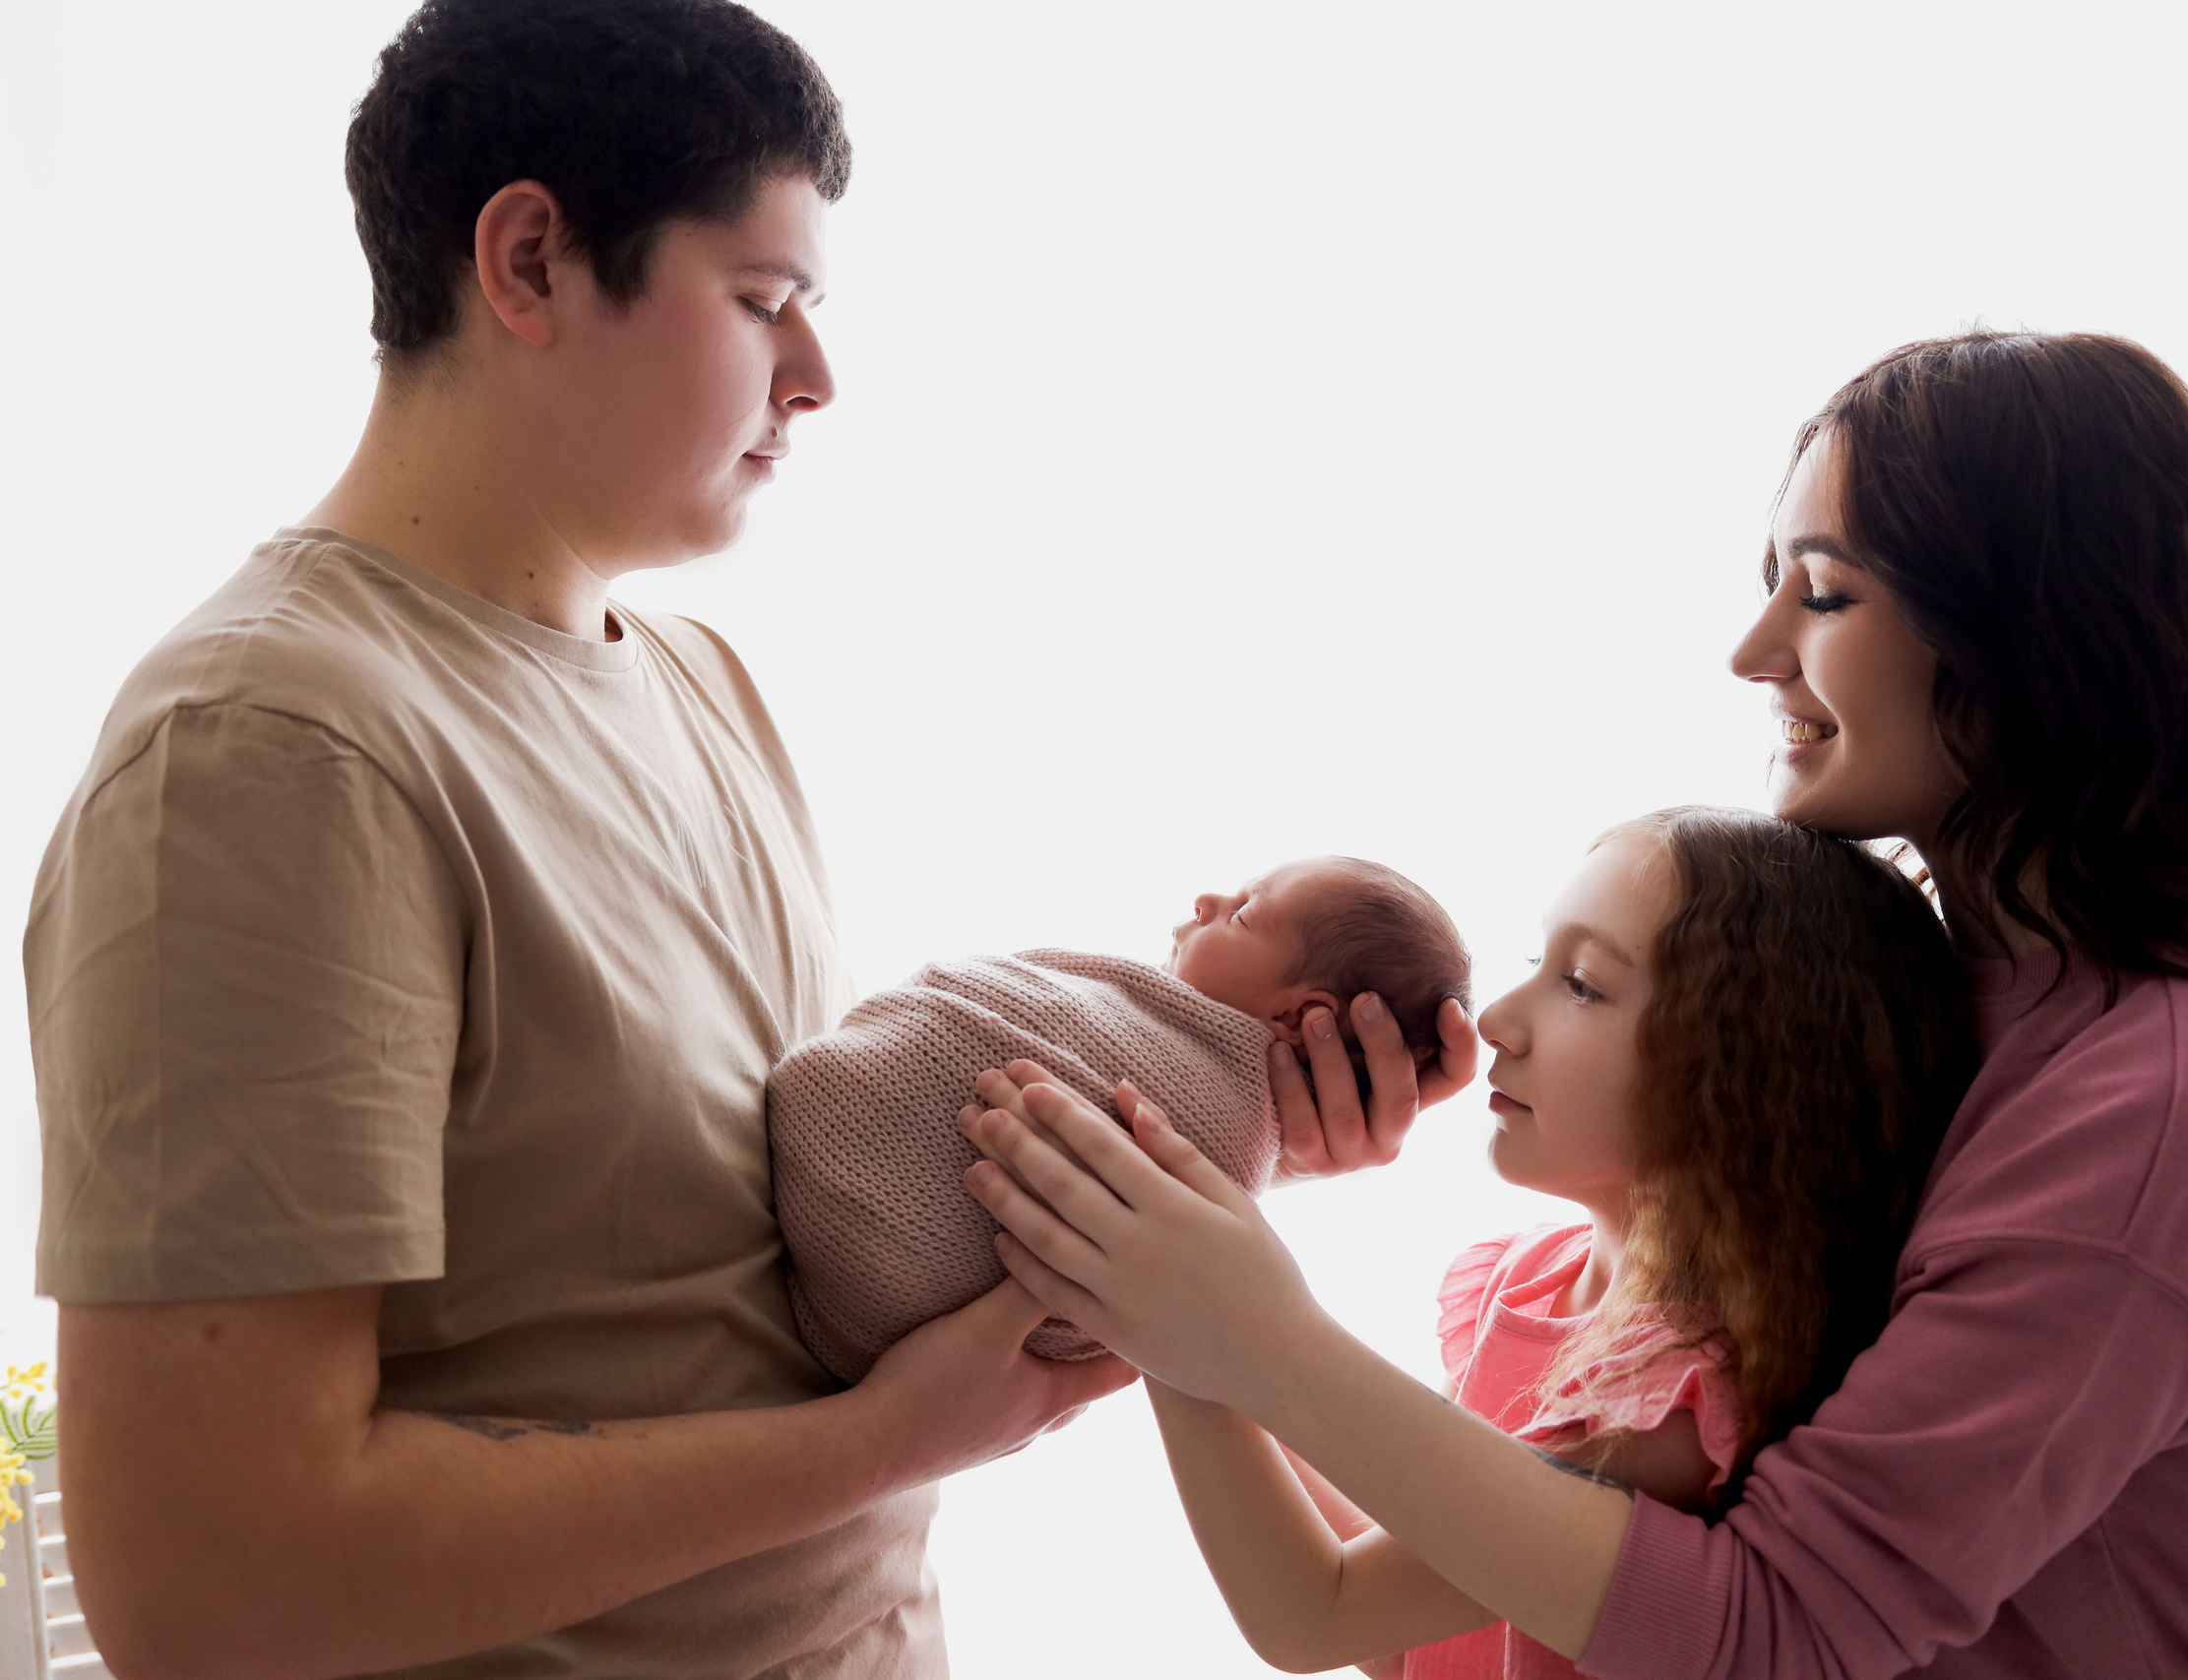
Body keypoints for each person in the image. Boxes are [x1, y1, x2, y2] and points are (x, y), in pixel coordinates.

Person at [23, 4, 1473, 1676]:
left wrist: (1237, 1121)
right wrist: (893, 1440)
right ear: (530, 261)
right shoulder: (275, 754)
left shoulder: (700, 686)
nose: (821, 376)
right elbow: (207, 1586)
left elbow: (760, 1242)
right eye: (766, 301)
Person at [958, 331, 2188, 1677]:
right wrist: (1241, 1173)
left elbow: (1779, 1623)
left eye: (1824, 592)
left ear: (2025, 631)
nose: (1756, 649)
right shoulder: (1934, 993)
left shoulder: (2170, 1109)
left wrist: (1251, 1330)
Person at [960, 808, 1973, 1676]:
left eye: (1581, 984)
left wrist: (1178, 1321)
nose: (1497, 1018)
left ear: (1741, 1082)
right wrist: (1191, 1279)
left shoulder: (1661, 1405)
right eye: (1538, 961)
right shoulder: (1530, 1283)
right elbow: (1411, 1626)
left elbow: (1319, 1609)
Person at [771, 856, 1470, 1381]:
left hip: (886, 1256)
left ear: (1295, 1016)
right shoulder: (1146, 1042)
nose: (1208, 898)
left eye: (1246, 913)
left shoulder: (1223, 1127)